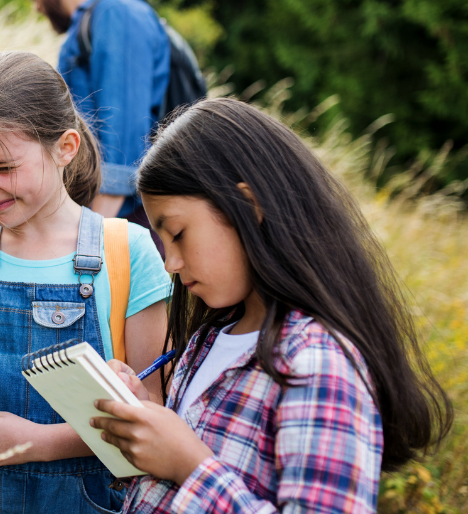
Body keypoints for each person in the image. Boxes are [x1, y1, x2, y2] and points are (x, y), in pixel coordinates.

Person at [91, 99, 451, 513]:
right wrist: (146, 419)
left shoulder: (317, 363)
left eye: (178, 233)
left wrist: (190, 466)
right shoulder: (208, 341)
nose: (171, 262)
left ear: (249, 206)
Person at [0, 52, 171, 512]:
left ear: (65, 148)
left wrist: (40, 443)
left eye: (4, 167)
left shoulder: (127, 251)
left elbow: (150, 408)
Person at [12, 0, 170, 235]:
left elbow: (123, 143)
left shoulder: (117, 13)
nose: (35, 6)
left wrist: (90, 240)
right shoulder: (92, 22)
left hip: (127, 224)